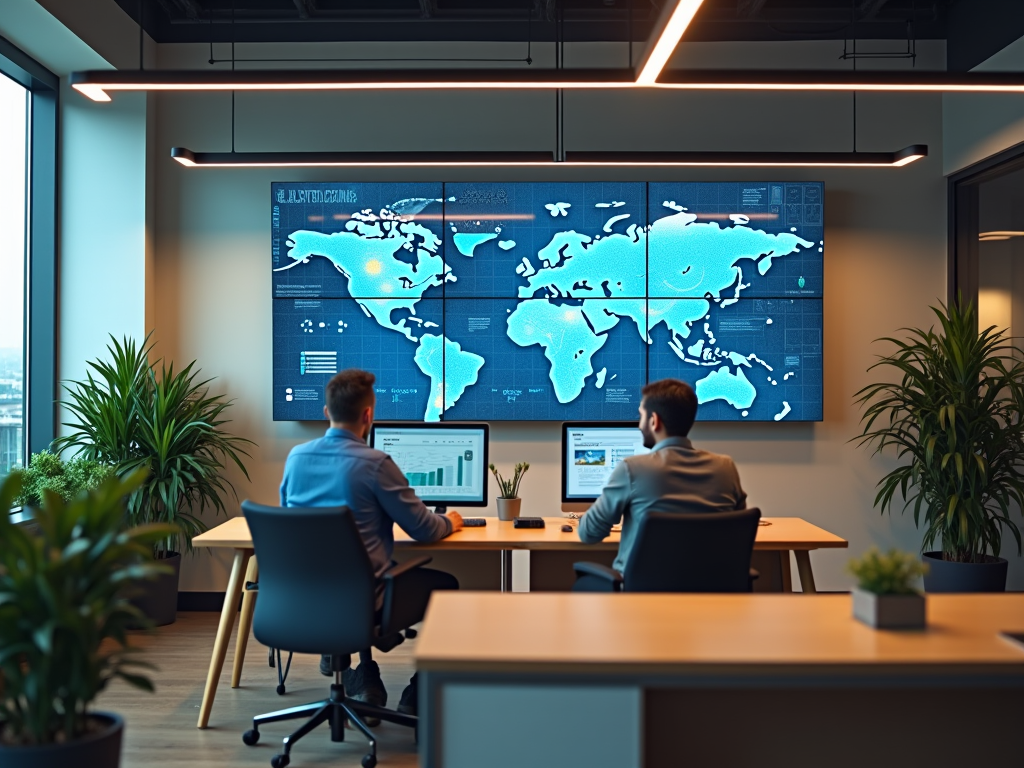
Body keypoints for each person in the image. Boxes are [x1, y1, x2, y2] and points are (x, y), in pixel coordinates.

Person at [280, 369, 463, 719]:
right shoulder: (375, 464)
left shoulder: (296, 458)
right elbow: (424, 530)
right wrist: (450, 521)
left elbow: (292, 519)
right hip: (362, 598)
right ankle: (418, 689)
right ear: (368, 416)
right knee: (447, 586)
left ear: (325, 412)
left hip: (303, 595)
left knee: (359, 570)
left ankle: (359, 672)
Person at [575, 378, 747, 591]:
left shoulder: (632, 469)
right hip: (709, 594)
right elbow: (735, 530)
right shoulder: (725, 468)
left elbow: (589, 533)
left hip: (642, 596)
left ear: (654, 420)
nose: (639, 424)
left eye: (641, 415)